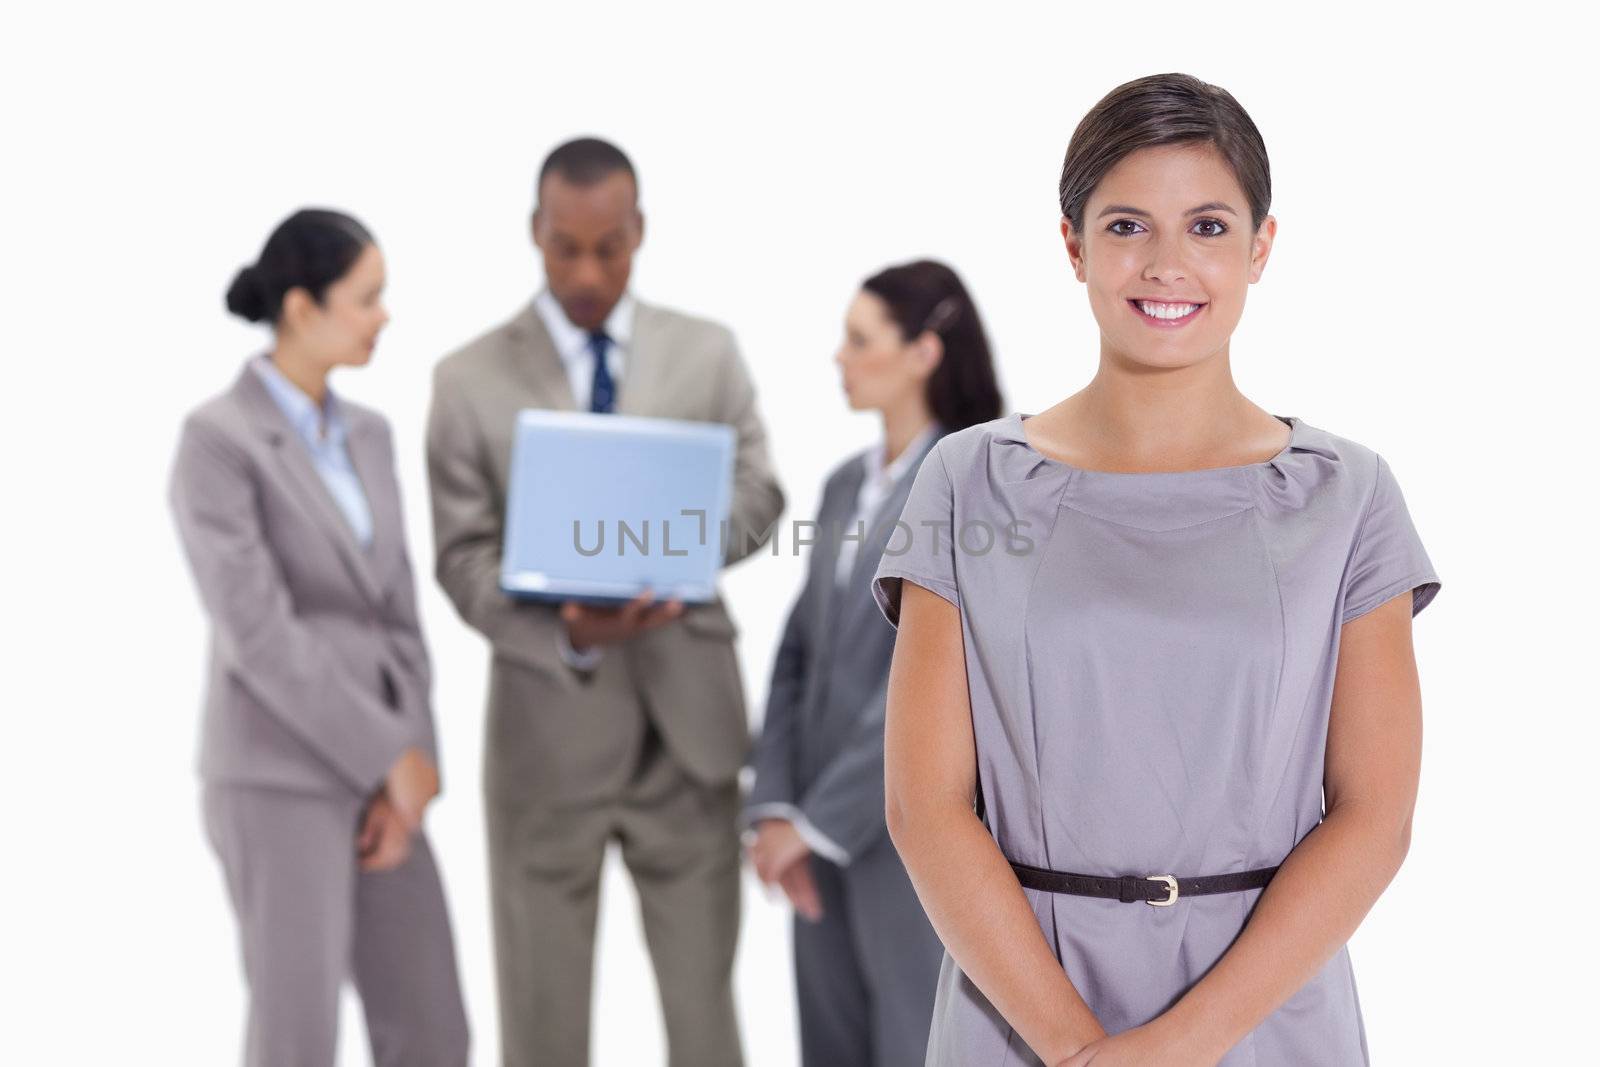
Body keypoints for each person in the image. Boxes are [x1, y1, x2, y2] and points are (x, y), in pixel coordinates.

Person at [871, 73, 1444, 1067]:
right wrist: (1074, 1048)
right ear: (1072, 244)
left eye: (1209, 227)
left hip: (1267, 1011)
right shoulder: (966, 481)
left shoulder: (1347, 494)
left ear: (1262, 247)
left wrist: (1182, 1045)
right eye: (1128, 224)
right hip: (1019, 1008)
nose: (1168, 264)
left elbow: (1374, 815)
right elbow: (924, 806)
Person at [426, 136, 784, 1067]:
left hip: (689, 736)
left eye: (610, 247)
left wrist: (672, 548)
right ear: (535, 234)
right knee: (542, 1026)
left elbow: (760, 493)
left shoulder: (707, 353)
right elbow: (461, 558)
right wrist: (569, 630)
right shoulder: (465, 381)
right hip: (548, 739)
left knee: (706, 1020)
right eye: (565, 248)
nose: (588, 271)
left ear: (640, 234)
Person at [168, 208, 470, 1066]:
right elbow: (258, 632)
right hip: (278, 773)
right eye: (367, 298)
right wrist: (386, 754)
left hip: (388, 778)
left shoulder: (369, 433)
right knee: (298, 1033)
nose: (384, 317)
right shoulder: (218, 442)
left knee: (432, 1024)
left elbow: (400, 612)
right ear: (302, 307)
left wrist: (413, 764)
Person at [743, 259, 1002, 1066]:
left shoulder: (975, 479)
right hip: (814, 834)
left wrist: (816, 824)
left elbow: (927, 680)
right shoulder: (842, 483)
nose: (840, 358)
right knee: (831, 1045)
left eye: (860, 340)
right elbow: (796, 652)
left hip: (909, 835)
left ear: (924, 352)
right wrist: (777, 807)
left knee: (914, 1041)